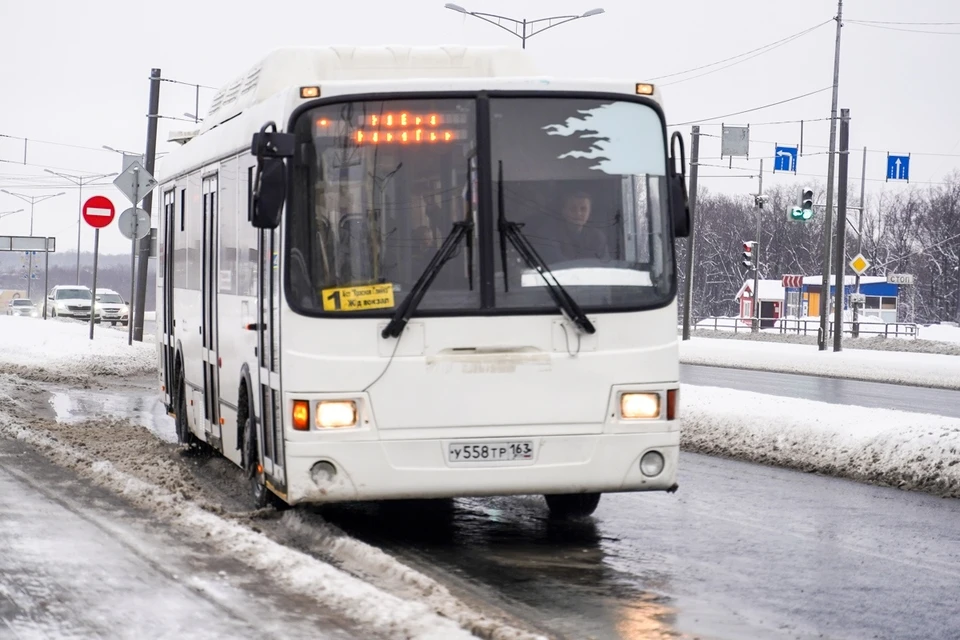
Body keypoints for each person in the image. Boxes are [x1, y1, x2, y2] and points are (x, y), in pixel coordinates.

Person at [532, 191, 609, 264]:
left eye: (583, 209)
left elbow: (604, 265)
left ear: (589, 212)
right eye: (573, 209)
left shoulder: (597, 237)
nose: (578, 213)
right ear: (564, 211)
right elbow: (557, 262)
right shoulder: (548, 233)